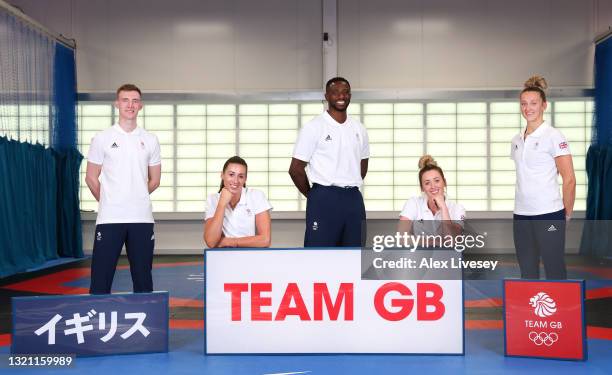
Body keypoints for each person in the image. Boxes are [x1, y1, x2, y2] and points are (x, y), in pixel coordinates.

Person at [85, 83, 161, 294]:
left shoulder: (150, 140)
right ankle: (97, 324)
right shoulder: (102, 138)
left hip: (142, 219)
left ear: (141, 106)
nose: (130, 105)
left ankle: (145, 323)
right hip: (110, 218)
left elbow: (155, 180)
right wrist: (110, 200)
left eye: (135, 101)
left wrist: (135, 196)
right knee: (101, 278)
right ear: (117, 104)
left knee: (143, 278)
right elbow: (91, 178)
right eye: (125, 100)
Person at [289, 77, 369, 247]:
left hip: (353, 199)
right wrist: (314, 196)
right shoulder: (314, 127)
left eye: (345, 92)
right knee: (319, 255)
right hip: (323, 197)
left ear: (350, 95)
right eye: (335, 92)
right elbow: (295, 169)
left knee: (355, 253)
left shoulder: (359, 128)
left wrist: (348, 182)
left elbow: (362, 165)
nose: (341, 96)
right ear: (326, 96)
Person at [511, 75, 576, 279]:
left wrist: (566, 214)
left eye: (533, 103)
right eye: (524, 103)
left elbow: (569, 178)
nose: (528, 108)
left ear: (544, 105)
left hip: (549, 213)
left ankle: (561, 310)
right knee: (527, 269)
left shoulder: (553, 136)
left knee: (554, 267)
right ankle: (532, 310)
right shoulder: (516, 140)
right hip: (521, 215)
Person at [204, 156, 272, 248]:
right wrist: (222, 204)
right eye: (231, 175)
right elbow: (211, 242)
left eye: (240, 176)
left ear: (245, 179)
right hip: (222, 256)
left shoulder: (256, 195)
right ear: (222, 175)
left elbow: (265, 240)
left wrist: (229, 242)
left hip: (249, 255)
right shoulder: (212, 199)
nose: (235, 181)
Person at [399, 155, 465, 241]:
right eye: (427, 183)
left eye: (437, 181)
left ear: (444, 182)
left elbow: (452, 241)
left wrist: (443, 207)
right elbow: (401, 237)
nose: (433, 186)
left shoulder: (457, 208)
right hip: (420, 254)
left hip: (448, 254)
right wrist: (436, 242)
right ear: (422, 188)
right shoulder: (413, 203)